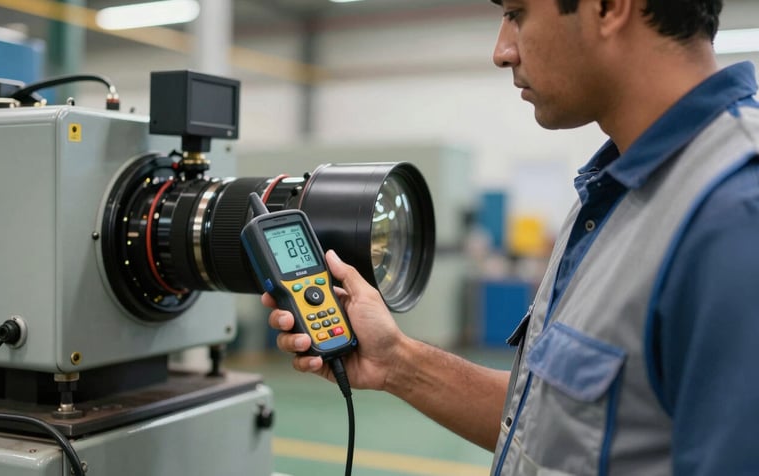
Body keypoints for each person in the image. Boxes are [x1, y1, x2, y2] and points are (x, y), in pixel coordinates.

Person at [263, 0, 759, 474]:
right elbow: (550, 419)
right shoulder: (615, 191)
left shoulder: (735, 219)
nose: (502, 51)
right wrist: (396, 361)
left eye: (517, 14)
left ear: (607, 7)